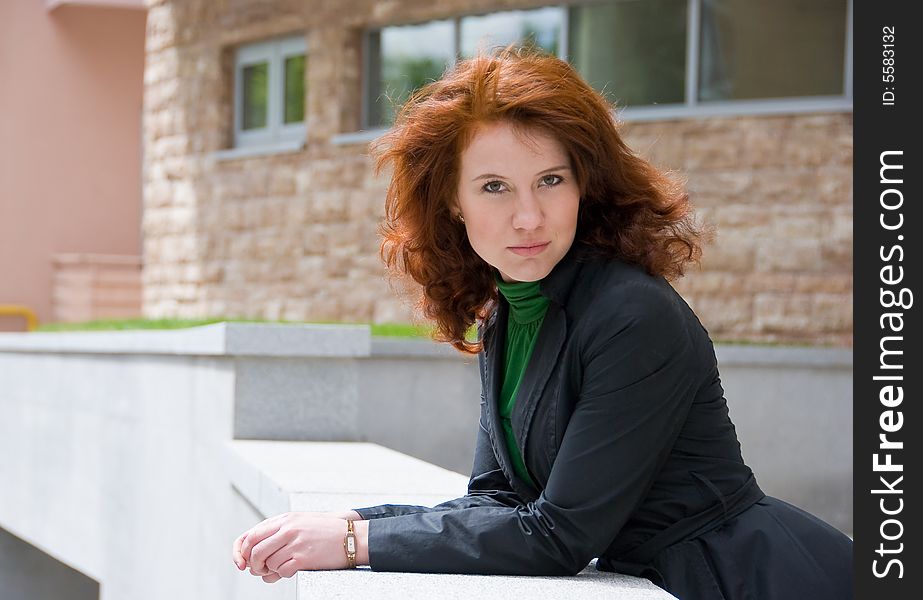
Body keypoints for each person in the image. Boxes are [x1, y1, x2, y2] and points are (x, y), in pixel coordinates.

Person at [232, 47, 853, 598]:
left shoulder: (632, 315)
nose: (529, 217)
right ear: (453, 200)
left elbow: (558, 535)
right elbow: (496, 502)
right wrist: (351, 525)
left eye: (550, 181)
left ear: (584, 185)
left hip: (751, 576)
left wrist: (350, 546)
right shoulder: (511, 311)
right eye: (495, 187)